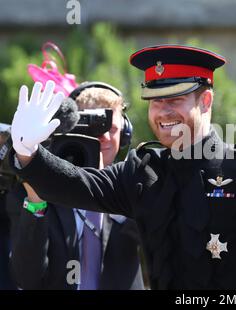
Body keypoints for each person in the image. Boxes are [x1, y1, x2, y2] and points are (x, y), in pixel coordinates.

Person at [9, 45, 236, 289]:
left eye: (176, 99)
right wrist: (27, 153)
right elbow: (78, 185)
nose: (163, 112)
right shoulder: (143, 172)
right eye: (155, 101)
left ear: (205, 101)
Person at [6, 82, 144, 290]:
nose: (104, 137)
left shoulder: (136, 183)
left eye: (112, 128)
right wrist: (36, 202)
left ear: (125, 134)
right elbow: (27, 279)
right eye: (94, 127)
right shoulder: (36, 188)